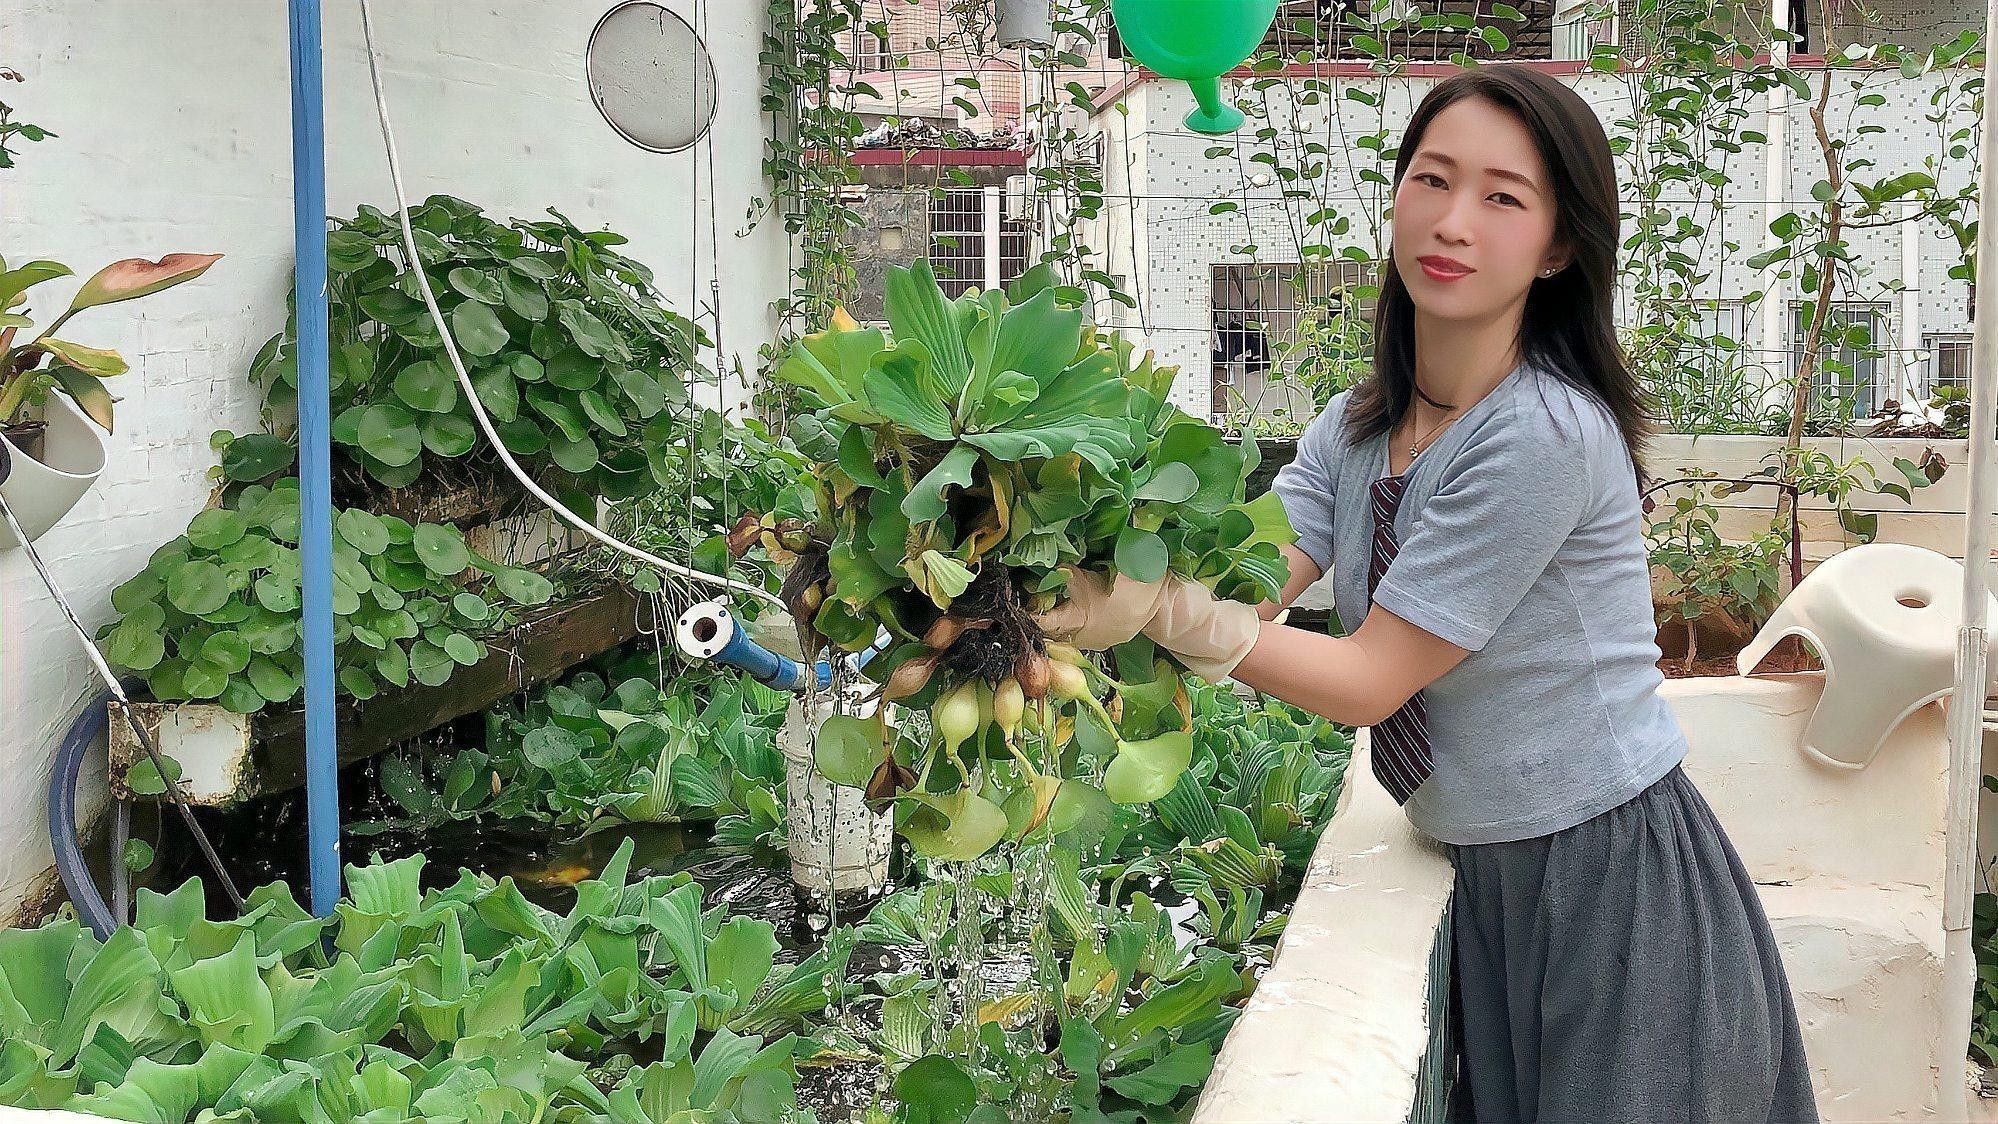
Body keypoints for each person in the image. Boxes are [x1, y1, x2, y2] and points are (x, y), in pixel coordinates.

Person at [1036, 64, 1819, 1124]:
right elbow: (1257, 581)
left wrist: (1171, 614)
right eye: (1431, 179)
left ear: (1558, 246)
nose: (1453, 221)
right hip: (1487, 868)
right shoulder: (1358, 428)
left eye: (1503, 197)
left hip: (1607, 878)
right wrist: (1085, 570)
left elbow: (1368, 679)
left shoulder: (1541, 431)